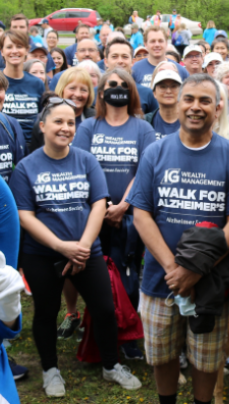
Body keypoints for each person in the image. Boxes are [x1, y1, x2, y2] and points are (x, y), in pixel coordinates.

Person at [127, 74, 229, 404]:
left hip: (211, 283)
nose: (196, 107)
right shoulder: (155, 152)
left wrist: (196, 269)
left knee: (207, 360)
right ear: (179, 103)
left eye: (205, 101)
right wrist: (175, 270)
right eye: (189, 99)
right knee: (162, 356)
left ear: (218, 107)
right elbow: (141, 214)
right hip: (159, 278)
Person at [10, 99, 142, 397]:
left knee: (105, 310)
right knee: (46, 311)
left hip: (87, 250)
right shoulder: (26, 168)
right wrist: (60, 246)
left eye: (71, 122)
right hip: (42, 254)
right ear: (42, 126)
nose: (66, 128)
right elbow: (25, 215)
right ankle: (50, 370)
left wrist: (82, 247)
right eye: (58, 121)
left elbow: (98, 203)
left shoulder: (86, 160)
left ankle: (111, 365)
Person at [72, 68, 155, 357]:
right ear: (102, 91)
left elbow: (145, 169)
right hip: (94, 213)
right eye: (111, 84)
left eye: (122, 85)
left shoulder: (142, 128)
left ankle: (128, 335)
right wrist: (103, 204)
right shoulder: (88, 128)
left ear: (131, 91)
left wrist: (123, 205)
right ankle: (98, 328)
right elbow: (81, 166)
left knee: (127, 273)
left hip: (130, 217)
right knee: (97, 275)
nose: (116, 88)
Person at [28, 67, 96, 152]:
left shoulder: (96, 120)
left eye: (83, 90)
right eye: (72, 88)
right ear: (62, 89)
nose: (78, 94)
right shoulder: (45, 119)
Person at [0, 30, 46, 145]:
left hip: (32, 146)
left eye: (19, 46)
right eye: (9, 47)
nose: (14, 51)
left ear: (26, 50)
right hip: (4, 144)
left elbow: (43, 118)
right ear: (2, 52)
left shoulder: (37, 84)